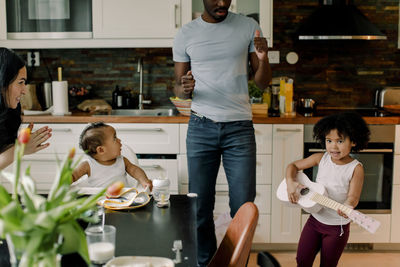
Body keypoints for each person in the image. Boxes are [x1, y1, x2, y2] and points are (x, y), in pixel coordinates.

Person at [172, 0, 272, 265]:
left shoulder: (249, 27)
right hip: (201, 127)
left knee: (243, 209)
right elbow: (178, 87)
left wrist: (263, 59)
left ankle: (236, 263)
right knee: (200, 208)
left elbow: (262, 82)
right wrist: (185, 86)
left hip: (238, 129)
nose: (222, 2)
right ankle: (205, 263)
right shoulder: (186, 33)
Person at [285, 112, 370, 267]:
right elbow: (293, 166)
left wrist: (348, 205)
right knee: (302, 260)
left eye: (340, 141)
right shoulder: (321, 158)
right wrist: (290, 182)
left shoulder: (355, 168)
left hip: (337, 228)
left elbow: (353, 196)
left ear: (354, 141)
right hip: (315, 220)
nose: (333, 146)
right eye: (329, 140)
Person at [0, 47, 52, 170]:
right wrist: (19, 149)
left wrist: (23, 144)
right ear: (3, 82)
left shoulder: (7, 114)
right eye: (20, 82)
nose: (24, 90)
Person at [72, 122, 153, 191]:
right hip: (100, 201)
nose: (119, 140)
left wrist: (144, 181)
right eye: (115, 138)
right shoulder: (87, 165)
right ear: (101, 150)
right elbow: (73, 175)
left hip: (123, 199)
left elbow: (135, 170)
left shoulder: (122, 160)